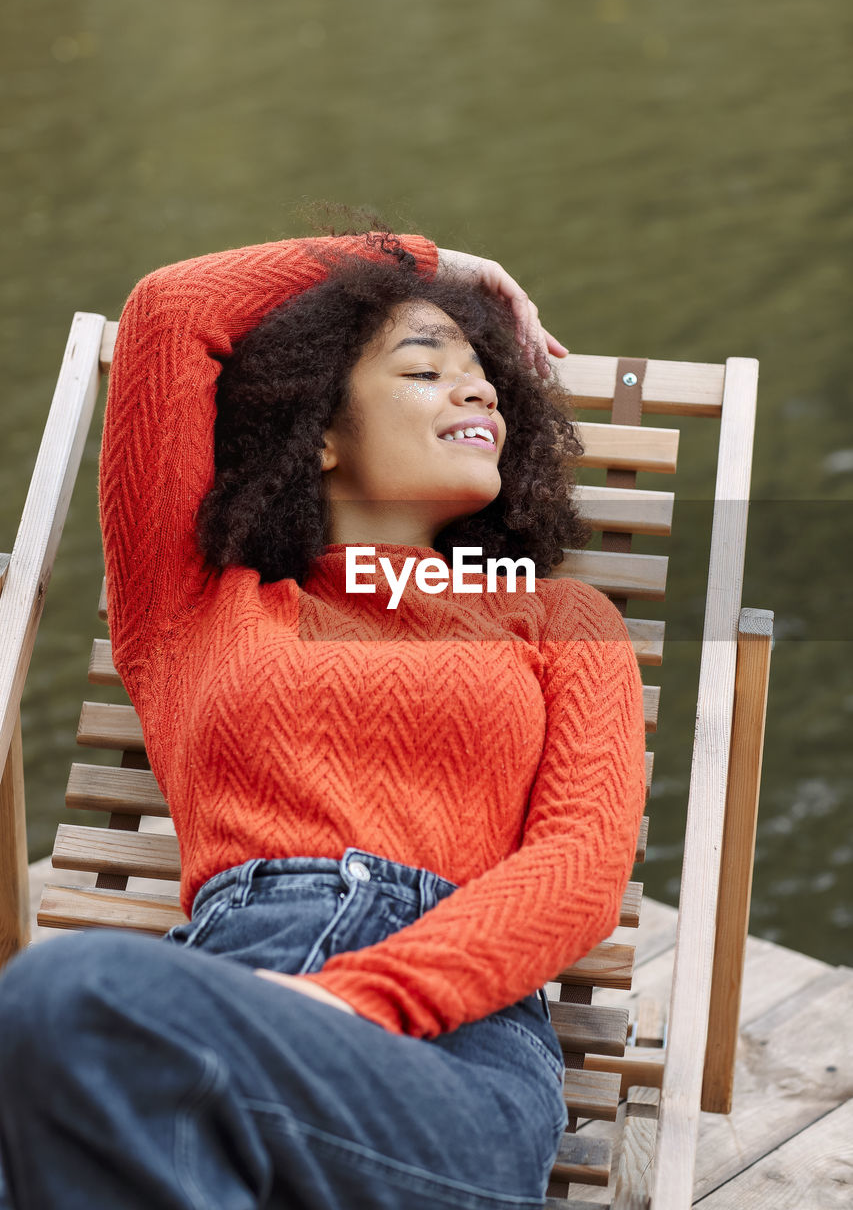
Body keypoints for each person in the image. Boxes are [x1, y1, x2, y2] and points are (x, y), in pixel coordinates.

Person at [0, 228, 647, 1210]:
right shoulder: (197, 603)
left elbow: (580, 867)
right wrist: (424, 263)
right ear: (325, 431)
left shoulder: (559, 620)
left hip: (447, 1056)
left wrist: (357, 996)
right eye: (426, 367)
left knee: (60, 1004)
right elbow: (171, 311)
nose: (477, 390)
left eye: (486, 379)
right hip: (210, 1000)